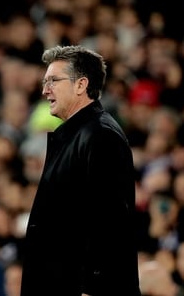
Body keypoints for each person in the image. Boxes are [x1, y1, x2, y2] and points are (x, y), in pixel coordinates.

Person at [21, 45, 141, 296]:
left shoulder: (100, 135)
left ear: (81, 85)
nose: (45, 90)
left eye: (53, 81)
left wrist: (93, 287)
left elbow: (109, 221)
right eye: (45, 82)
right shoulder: (80, 133)